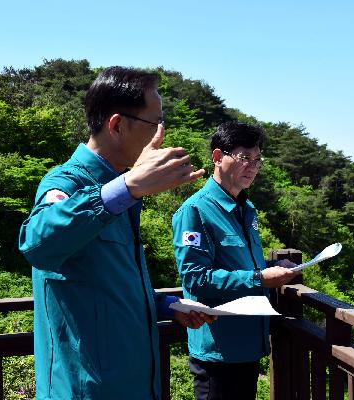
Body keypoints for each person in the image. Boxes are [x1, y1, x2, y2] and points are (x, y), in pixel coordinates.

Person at [19, 67, 214, 400]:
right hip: (86, 390)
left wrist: (166, 305)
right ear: (117, 125)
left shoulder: (124, 193)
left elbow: (104, 288)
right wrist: (128, 187)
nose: (160, 136)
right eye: (155, 124)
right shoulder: (66, 183)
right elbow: (36, 245)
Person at [172, 121, 300, 400]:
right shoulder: (195, 210)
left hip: (249, 348)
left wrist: (271, 268)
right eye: (245, 158)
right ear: (218, 157)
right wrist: (259, 278)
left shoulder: (247, 209)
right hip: (218, 354)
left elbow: (241, 265)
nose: (252, 167)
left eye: (257, 160)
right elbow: (195, 278)